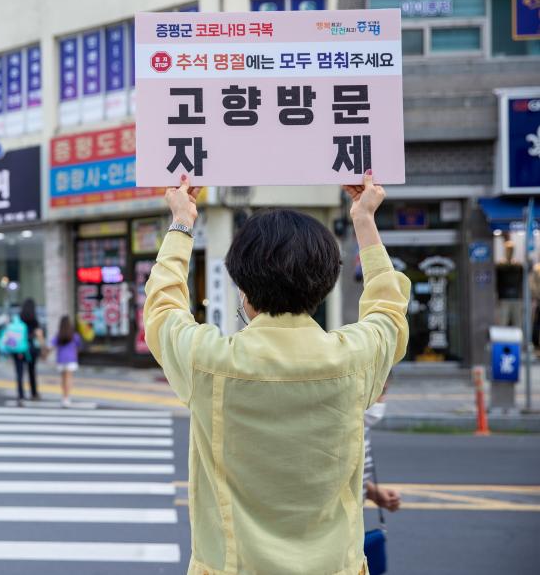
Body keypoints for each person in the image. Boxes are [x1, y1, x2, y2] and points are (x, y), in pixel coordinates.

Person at [143, 172, 410, 574]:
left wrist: (182, 220)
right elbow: (388, 309)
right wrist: (364, 219)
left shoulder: (207, 360)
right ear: (324, 287)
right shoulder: (356, 358)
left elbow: (163, 307)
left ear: (244, 291)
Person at [51, 315, 83, 407]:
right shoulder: (74, 335)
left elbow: (51, 345)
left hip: (61, 359)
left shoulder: (59, 335)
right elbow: (78, 347)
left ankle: (64, 397)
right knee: (69, 378)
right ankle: (67, 397)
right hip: (71, 359)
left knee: (63, 379)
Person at [18, 298, 44, 401]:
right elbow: (39, 334)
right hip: (31, 349)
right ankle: (34, 393)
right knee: (32, 371)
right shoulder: (34, 320)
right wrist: (43, 347)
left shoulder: (20, 318)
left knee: (19, 372)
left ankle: (21, 394)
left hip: (19, 348)